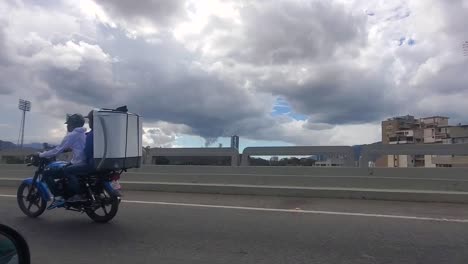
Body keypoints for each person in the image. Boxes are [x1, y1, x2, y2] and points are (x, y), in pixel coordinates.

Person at [38, 114, 86, 208]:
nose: (67, 126)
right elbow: (78, 147)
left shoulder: (72, 135)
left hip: (78, 163)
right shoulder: (84, 133)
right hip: (84, 162)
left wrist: (41, 154)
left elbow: (57, 150)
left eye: (69, 124)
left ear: (73, 124)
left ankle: (59, 197)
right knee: (66, 167)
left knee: (47, 173)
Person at [64, 110, 95, 202]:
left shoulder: (91, 134)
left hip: (91, 163)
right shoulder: (95, 133)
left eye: (90, 120)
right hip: (100, 163)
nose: (89, 122)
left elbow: (87, 151)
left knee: (67, 170)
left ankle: (78, 194)